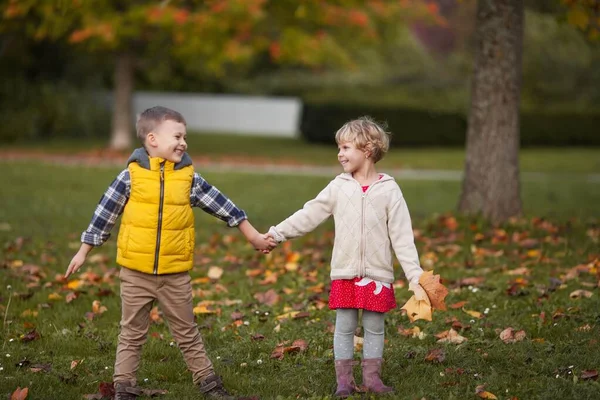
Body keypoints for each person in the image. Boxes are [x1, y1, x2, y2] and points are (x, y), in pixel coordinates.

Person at [65, 106, 276, 400]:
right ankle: (124, 388)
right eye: (177, 136)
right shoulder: (130, 176)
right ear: (152, 139)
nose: (183, 142)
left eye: (184, 136)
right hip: (135, 273)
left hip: (174, 274)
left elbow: (223, 205)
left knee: (187, 332)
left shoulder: (188, 178)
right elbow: (105, 213)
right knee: (131, 333)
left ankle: (211, 386)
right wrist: (84, 250)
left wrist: (252, 235)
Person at [267, 116, 429, 397]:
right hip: (345, 272)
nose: (340, 154)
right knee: (344, 327)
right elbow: (309, 214)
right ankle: (344, 381)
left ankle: (372, 379)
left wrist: (414, 275)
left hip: (377, 275)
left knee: (375, 328)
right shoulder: (338, 187)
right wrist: (277, 234)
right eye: (339, 148)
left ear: (367, 149)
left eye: (345, 147)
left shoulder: (389, 189)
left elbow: (402, 237)